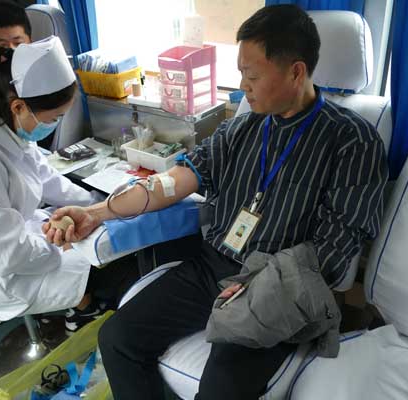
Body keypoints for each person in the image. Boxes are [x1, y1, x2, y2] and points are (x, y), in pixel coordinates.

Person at [45, 5, 389, 399]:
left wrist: (257, 287)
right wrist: (96, 213)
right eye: (240, 73)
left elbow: (334, 248)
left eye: (252, 76)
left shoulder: (353, 142)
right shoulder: (242, 127)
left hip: (279, 289)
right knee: (117, 338)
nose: (243, 85)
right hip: (213, 267)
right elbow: (173, 182)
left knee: (220, 390)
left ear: (296, 72)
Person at [0, 36, 132, 333]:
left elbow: (46, 178)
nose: (56, 123)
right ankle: (85, 311)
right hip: (2, 274)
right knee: (113, 266)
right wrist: (63, 243)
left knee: (104, 239)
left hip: (19, 236)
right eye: (55, 117)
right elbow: (8, 256)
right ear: (19, 106)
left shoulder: (7, 127)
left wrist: (98, 206)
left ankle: (83, 303)